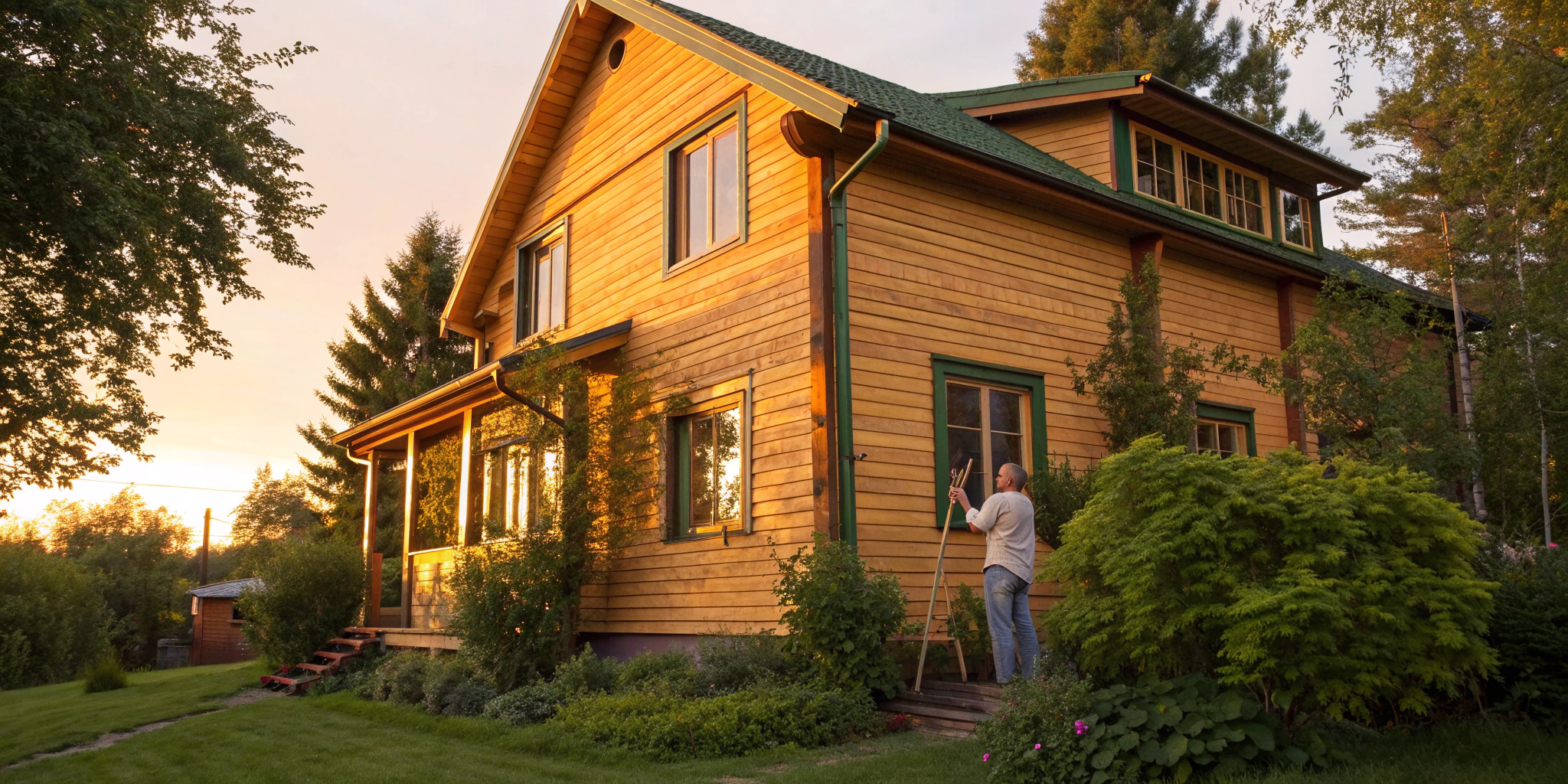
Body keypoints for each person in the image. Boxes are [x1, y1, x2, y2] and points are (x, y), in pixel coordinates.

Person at [949, 462, 1038, 683]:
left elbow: (977, 527)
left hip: (1000, 571)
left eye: (999, 476)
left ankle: (1006, 684)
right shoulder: (1027, 504)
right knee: (1025, 628)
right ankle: (1033, 680)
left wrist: (964, 502)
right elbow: (992, 524)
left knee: (1000, 630)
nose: (996, 479)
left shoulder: (998, 500)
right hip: (1022, 574)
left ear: (1009, 480)